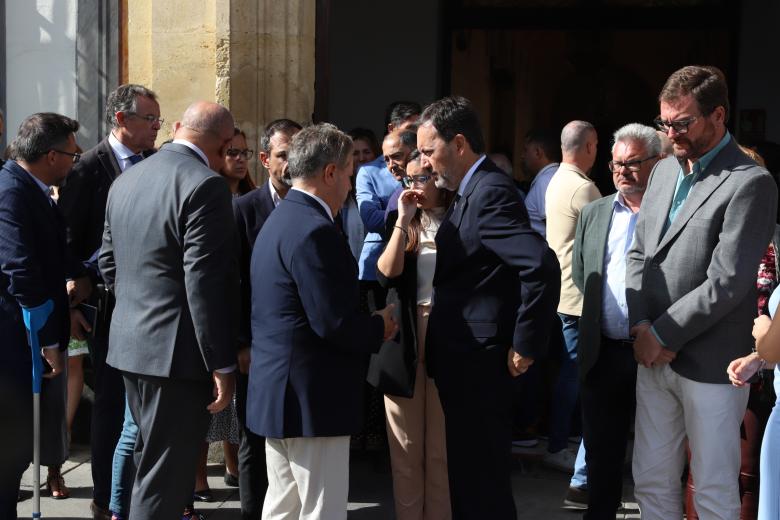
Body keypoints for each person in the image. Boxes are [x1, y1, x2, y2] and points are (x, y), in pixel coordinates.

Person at [625, 65, 778, 520]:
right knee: (650, 482)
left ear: (718, 116)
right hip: (651, 351)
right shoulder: (663, 171)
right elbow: (638, 256)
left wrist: (663, 335)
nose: (671, 134)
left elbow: (728, 279)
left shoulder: (750, 181)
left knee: (711, 491)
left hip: (712, 363)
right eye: (664, 123)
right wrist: (641, 327)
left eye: (683, 122)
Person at [417, 96, 560, 518]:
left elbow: (540, 265)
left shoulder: (490, 192)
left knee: (483, 482)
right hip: (464, 363)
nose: (424, 163)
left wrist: (525, 342)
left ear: (458, 144)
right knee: (470, 477)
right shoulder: (468, 190)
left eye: (429, 151)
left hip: (480, 365)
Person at [247, 123, 397, 519]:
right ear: (330, 173)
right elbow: (332, 323)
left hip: (283, 395)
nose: (351, 185)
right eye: (349, 173)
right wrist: (379, 326)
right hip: (311, 399)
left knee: (283, 507)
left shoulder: (281, 220)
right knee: (321, 510)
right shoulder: (314, 230)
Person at [99, 101, 239, 520]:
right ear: (223, 143)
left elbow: (108, 262)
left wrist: (139, 309)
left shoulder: (128, 177)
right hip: (175, 356)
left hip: (129, 345)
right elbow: (204, 283)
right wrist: (222, 362)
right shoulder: (205, 185)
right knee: (164, 476)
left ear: (178, 128)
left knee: (150, 464)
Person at [57, 83, 160, 519]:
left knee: (146, 411)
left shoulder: (156, 163)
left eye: (159, 119)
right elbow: (65, 241)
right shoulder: (87, 169)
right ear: (121, 120)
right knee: (113, 407)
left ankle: (143, 495)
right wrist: (75, 305)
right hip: (104, 306)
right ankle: (105, 499)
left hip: (151, 305)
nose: (156, 127)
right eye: (149, 120)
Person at [571, 123, 660, 518]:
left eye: (633, 163)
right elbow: (581, 272)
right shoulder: (593, 212)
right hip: (603, 352)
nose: (622, 171)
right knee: (602, 454)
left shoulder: (671, 212)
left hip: (655, 352)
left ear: (657, 163)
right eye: (615, 164)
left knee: (657, 455)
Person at [0, 112, 83, 518]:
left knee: (14, 455)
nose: (75, 159)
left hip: (26, 339)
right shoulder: (12, 190)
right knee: (8, 453)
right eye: (71, 153)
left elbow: (54, 254)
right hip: (14, 341)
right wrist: (47, 340)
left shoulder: (33, 188)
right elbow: (19, 267)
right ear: (51, 155)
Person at [372, 150, 454, 520]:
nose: (414, 188)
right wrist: (403, 220)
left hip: (447, 333)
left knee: (440, 449)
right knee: (404, 448)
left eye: (421, 178)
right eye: (407, 180)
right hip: (405, 334)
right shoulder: (402, 218)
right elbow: (386, 273)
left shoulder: (459, 218)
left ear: (439, 177)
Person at [232, 117, 301, 520]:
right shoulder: (244, 209)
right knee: (254, 438)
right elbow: (234, 280)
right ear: (264, 160)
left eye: (297, 152)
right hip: (257, 348)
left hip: (297, 346)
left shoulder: (314, 203)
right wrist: (241, 341)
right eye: (282, 155)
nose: (291, 162)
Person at [543, 120, 601, 484]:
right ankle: (559, 445)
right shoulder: (585, 188)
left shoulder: (555, 179)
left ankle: (559, 441)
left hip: (559, 290)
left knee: (567, 374)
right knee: (576, 377)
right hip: (578, 295)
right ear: (590, 147)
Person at [522, 129, 561, 237]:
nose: (522, 156)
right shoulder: (554, 176)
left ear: (538, 152)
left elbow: (553, 229)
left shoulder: (545, 181)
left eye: (525, 150)